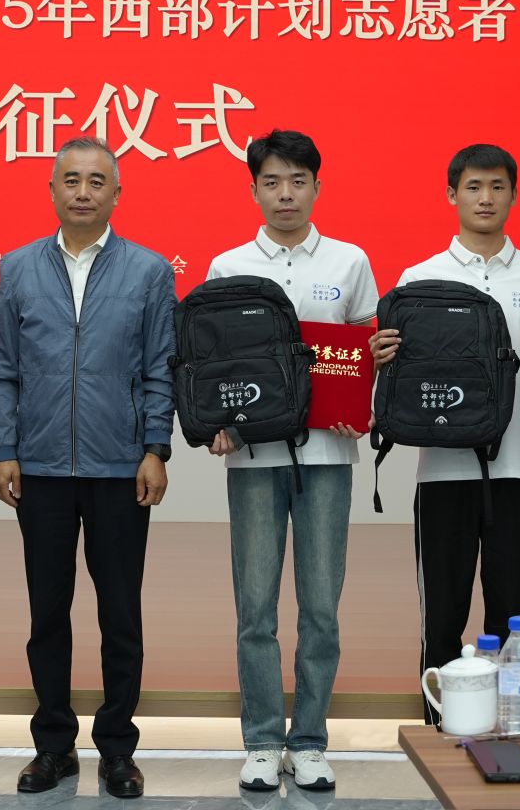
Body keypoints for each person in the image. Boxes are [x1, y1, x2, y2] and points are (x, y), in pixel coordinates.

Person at [0, 136, 176, 799]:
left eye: (97, 181)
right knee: (48, 612)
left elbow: (160, 369)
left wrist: (155, 447)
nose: (83, 191)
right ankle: (53, 746)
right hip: (39, 467)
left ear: (117, 194)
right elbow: (3, 370)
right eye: (71, 179)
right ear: (52, 190)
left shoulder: (149, 271)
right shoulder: (18, 268)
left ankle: (118, 749)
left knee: (120, 614)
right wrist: (3, 450)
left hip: (121, 467)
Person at [373, 143, 520, 717]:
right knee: (441, 617)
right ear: (451, 195)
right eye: (473, 187)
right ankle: (440, 732)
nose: (485, 198)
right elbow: (396, 376)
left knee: (511, 615)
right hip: (441, 472)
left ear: (513, 195)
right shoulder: (419, 277)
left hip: (519, 469)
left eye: (497, 186)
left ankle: (507, 727)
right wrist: (379, 358)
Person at [202, 130, 373, 791]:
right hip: (253, 457)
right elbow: (214, 363)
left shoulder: (350, 262)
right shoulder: (228, 265)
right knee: (255, 608)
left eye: (298, 181)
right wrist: (217, 424)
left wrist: (361, 400)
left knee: (322, 606)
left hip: (328, 452)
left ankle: (310, 741)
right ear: (253, 190)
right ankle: (263, 740)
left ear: (317, 188)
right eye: (272, 182)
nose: (285, 194)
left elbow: (364, 350)